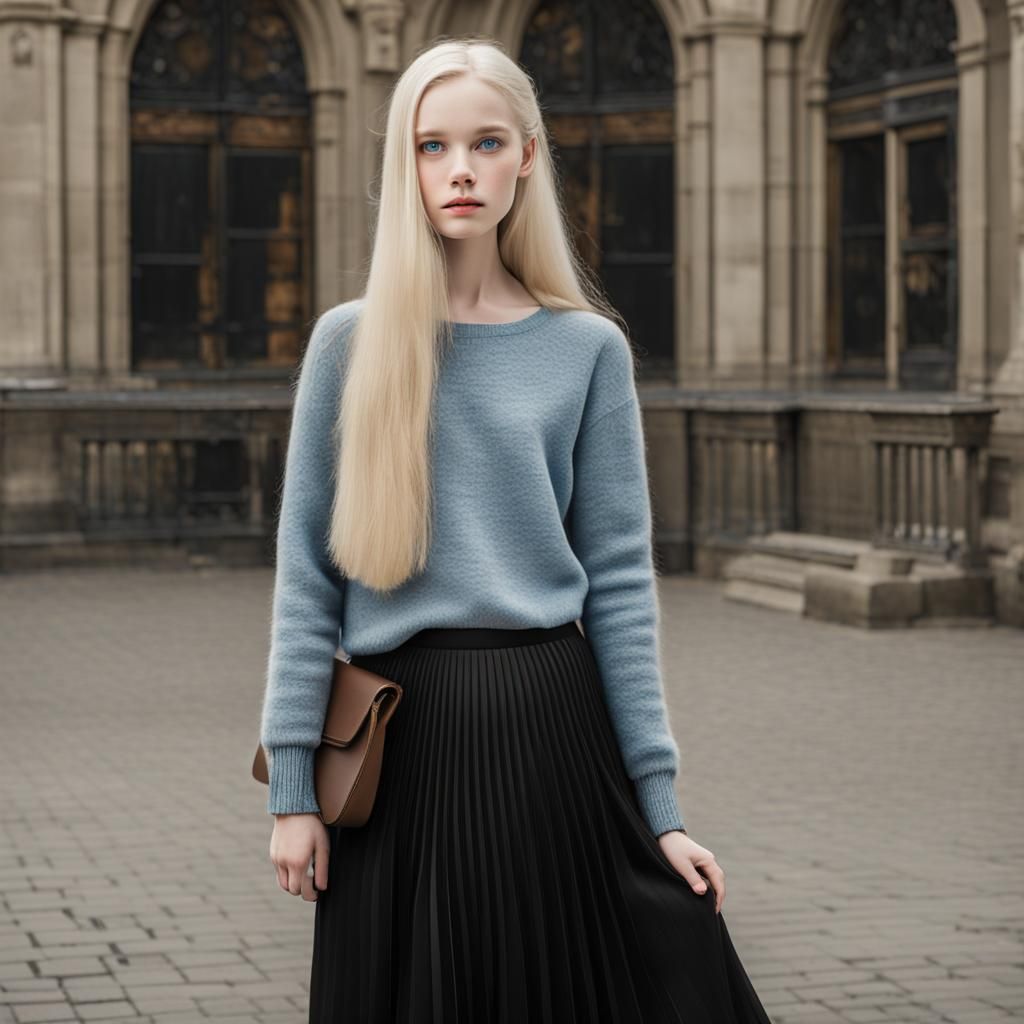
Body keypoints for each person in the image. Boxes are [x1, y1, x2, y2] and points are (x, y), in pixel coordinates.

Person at [258, 34, 774, 1024]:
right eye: (431, 145)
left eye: (487, 142)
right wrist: (291, 787)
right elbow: (305, 581)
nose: (459, 170)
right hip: (395, 740)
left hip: (553, 725)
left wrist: (660, 810)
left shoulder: (586, 349)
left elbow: (622, 587)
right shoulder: (349, 343)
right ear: (401, 163)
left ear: (527, 156)